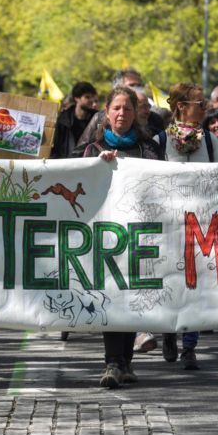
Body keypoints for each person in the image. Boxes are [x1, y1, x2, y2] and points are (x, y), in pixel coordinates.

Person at [83, 86, 162, 389]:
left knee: (130, 297)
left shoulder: (149, 149)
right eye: (116, 108)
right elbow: (77, 180)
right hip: (105, 234)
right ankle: (112, 362)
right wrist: (96, 167)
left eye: (127, 109)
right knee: (111, 296)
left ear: (136, 114)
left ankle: (126, 362)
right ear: (106, 112)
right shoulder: (93, 149)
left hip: (139, 234)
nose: (121, 114)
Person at [155, 82, 218, 371]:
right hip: (168, 227)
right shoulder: (160, 142)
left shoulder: (210, 141)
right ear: (181, 107)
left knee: (195, 285)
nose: (205, 108)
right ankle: (169, 330)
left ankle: (190, 346)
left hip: (201, 226)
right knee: (170, 282)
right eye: (199, 104)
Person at [50, 81, 99, 159]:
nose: (91, 100)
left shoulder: (97, 118)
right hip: (66, 164)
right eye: (87, 97)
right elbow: (56, 147)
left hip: (88, 164)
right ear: (77, 98)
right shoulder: (63, 119)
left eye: (92, 97)